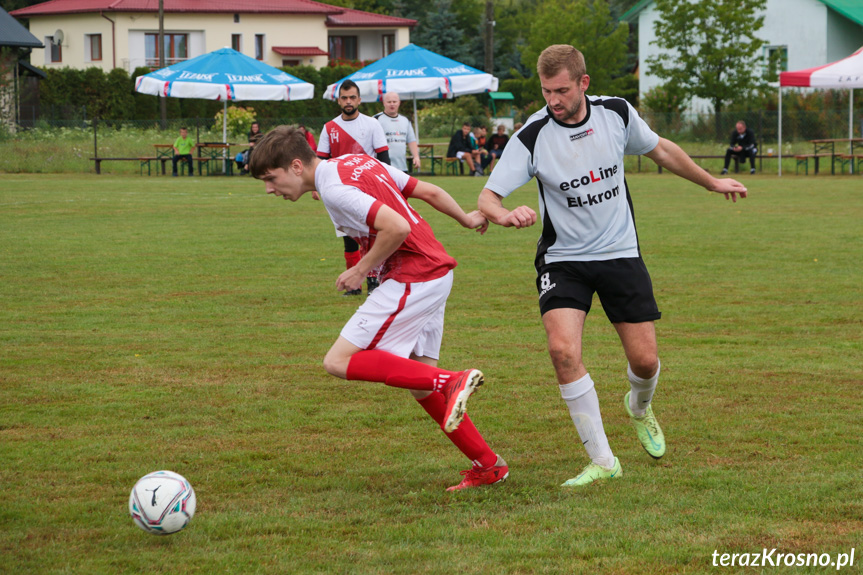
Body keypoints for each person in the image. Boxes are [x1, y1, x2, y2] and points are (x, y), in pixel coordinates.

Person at [478, 44, 747, 488]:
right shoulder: (532, 135)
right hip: (564, 259)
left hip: (620, 252)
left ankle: (639, 407)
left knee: (645, 361)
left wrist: (712, 182)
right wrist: (504, 215)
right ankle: (604, 461)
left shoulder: (616, 114)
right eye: (546, 92)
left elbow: (661, 151)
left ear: (583, 83)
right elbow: (489, 196)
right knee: (562, 351)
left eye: (561, 90)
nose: (553, 101)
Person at [249, 125, 509, 492]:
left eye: (271, 179)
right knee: (417, 381)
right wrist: (466, 220)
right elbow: (428, 191)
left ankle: (452, 380)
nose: (269, 189)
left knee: (337, 361)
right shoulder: (354, 162)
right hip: (435, 273)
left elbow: (396, 226)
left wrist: (358, 269)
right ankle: (488, 465)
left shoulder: (336, 188)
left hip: (414, 276)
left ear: (295, 166)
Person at [317, 80, 391, 296]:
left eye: (352, 98)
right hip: (339, 189)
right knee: (348, 236)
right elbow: (321, 159)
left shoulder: (372, 124)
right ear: (338, 100)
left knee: (370, 235)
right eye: (344, 98)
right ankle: (354, 285)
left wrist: (386, 184)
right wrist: (315, 187)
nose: (348, 102)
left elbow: (384, 158)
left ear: (359, 100)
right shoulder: (329, 128)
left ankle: (373, 281)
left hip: (368, 186)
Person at [374, 92, 421, 173]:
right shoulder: (376, 120)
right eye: (389, 102)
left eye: (394, 102)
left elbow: (411, 141)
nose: (392, 104)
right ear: (384, 103)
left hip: (402, 167)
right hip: (383, 168)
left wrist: (416, 156)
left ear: (399, 103)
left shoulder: (405, 120)